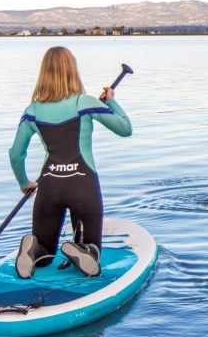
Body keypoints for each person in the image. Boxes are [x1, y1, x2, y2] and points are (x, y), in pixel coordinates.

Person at [9, 47, 132, 279]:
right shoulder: (84, 103)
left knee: (45, 253)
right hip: (82, 186)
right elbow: (125, 129)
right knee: (92, 252)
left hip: (49, 187)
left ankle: (33, 249)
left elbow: (16, 154)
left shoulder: (32, 111)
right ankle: (81, 249)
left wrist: (24, 182)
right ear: (72, 71)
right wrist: (111, 103)